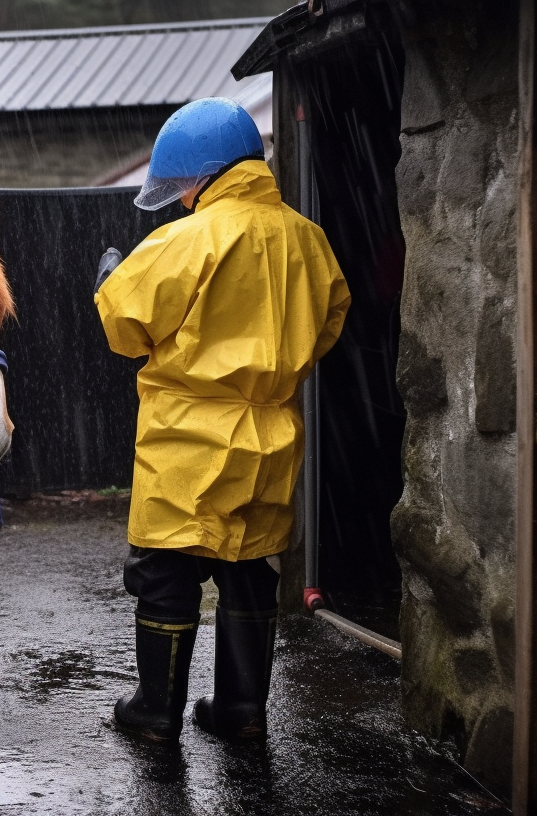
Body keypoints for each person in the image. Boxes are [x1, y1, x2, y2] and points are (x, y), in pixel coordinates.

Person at [93, 98, 350, 743]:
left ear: (203, 174)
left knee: (166, 573)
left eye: (182, 185)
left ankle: (155, 713)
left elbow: (125, 328)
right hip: (271, 435)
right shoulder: (308, 239)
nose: (180, 199)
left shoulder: (188, 238)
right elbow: (329, 322)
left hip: (189, 437)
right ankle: (240, 711)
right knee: (248, 571)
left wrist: (111, 278)